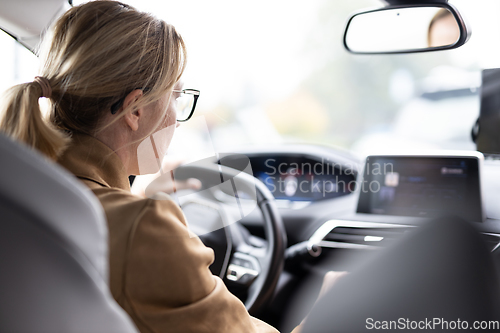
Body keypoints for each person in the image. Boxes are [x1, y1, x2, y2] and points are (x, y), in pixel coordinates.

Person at [0, 1, 340, 332]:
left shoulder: (26, 199)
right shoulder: (147, 228)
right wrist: (335, 310)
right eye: (176, 95)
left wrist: (137, 195)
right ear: (134, 110)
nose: (178, 117)